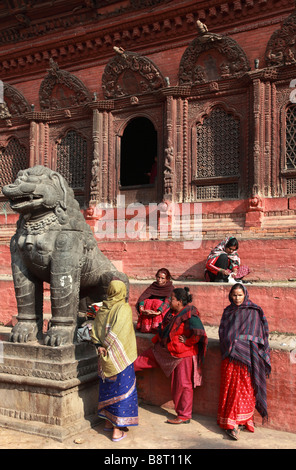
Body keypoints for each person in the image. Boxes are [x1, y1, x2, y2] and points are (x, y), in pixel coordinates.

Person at [134, 287, 208, 424]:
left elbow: (199, 333)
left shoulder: (190, 315)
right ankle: (124, 377)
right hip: (164, 350)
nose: (169, 301)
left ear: (179, 302)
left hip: (182, 355)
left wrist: (188, 342)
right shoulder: (172, 313)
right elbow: (163, 329)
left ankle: (184, 415)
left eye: (172, 299)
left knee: (182, 385)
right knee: (140, 361)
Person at [217, 283, 271, 440]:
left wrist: (240, 342)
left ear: (245, 295)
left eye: (240, 295)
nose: (237, 298)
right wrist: (231, 342)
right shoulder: (228, 311)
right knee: (230, 389)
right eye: (234, 295)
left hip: (247, 357)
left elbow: (259, 333)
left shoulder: (253, 311)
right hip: (230, 357)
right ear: (230, 296)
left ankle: (243, 419)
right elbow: (223, 332)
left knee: (245, 389)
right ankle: (230, 422)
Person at [91, 280, 138, 442]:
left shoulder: (103, 308)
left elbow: (95, 331)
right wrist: (109, 347)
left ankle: (108, 423)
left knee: (107, 389)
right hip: (120, 358)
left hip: (103, 357)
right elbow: (120, 332)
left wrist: (100, 346)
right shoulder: (123, 308)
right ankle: (117, 431)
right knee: (121, 392)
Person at [136, 268, 174, 333]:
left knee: (157, 303)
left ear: (167, 279)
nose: (159, 280)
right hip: (149, 311)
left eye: (162, 278)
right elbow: (143, 298)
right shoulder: (153, 286)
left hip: (161, 310)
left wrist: (158, 312)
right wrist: (142, 309)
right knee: (148, 302)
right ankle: (146, 327)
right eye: (158, 277)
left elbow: (167, 302)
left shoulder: (169, 288)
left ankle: (156, 327)